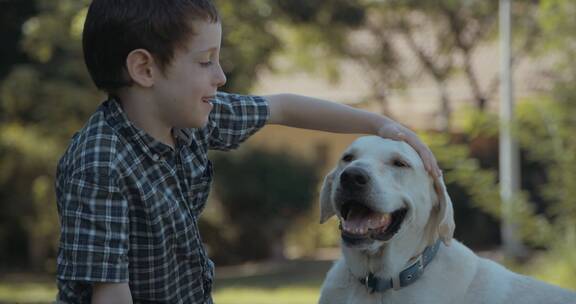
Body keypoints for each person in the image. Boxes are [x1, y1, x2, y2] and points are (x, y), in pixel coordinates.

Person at [55, 0, 441, 303]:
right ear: (144, 69)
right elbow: (109, 294)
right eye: (206, 61)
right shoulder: (98, 164)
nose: (220, 77)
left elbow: (284, 107)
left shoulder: (191, 119)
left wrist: (380, 125)